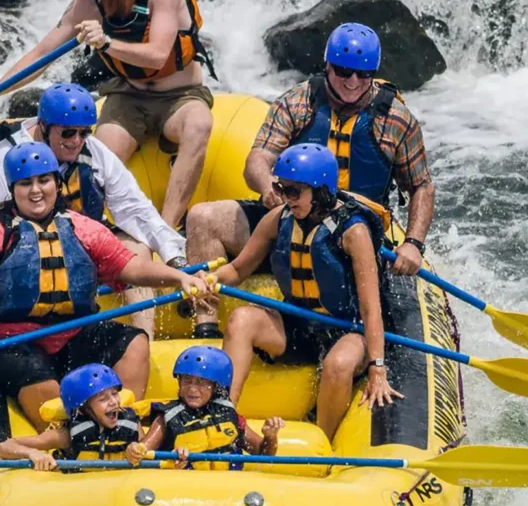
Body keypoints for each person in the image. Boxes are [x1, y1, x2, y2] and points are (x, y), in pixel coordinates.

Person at [183, 23, 436, 338]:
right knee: (202, 217)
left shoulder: (396, 120)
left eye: (364, 73)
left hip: (350, 232)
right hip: (293, 214)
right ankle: (205, 326)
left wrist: (412, 243)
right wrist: (268, 188)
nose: (354, 81)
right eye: (344, 71)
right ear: (327, 65)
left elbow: (421, 186)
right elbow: (258, 159)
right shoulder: (298, 102)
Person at [0, 142, 207, 431]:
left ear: (57, 184)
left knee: (133, 341)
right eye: (25, 183)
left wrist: (179, 276)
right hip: (8, 341)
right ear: (12, 189)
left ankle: (124, 425)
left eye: (44, 180)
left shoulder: (82, 228)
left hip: (69, 334)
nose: (36, 190)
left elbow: (130, 267)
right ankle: (68, 437)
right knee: (36, 373)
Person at [0, 0, 216, 230]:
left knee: (198, 125)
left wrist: (106, 42)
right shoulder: (87, 5)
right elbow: (39, 56)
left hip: (181, 96)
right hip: (128, 96)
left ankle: (168, 230)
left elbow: (158, 54)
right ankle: (78, 233)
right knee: (92, 155)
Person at [205, 144, 403, 443]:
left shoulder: (353, 232)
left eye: (294, 191)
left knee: (338, 363)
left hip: (348, 328)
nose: (286, 198)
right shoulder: (279, 218)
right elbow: (237, 269)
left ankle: (322, 440)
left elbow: (370, 307)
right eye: (281, 189)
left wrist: (377, 367)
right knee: (242, 319)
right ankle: (224, 420)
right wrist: (206, 281)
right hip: (299, 325)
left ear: (321, 191)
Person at [0, 83, 188, 337]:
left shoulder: (92, 151)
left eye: (84, 133)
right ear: (44, 127)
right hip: (21, 250)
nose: (77, 142)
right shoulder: (6, 157)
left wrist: (174, 257)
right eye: (69, 133)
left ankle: (144, 340)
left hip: (81, 242)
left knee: (137, 248)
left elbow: (135, 209)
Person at [127, 345, 283, 470]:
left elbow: (264, 455)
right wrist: (136, 450)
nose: (193, 389)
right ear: (179, 382)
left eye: (201, 382)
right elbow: (140, 453)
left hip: (228, 490)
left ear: (215, 386)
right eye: (187, 380)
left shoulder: (229, 414)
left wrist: (270, 437)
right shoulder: (166, 418)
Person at [0, 363, 149, 470]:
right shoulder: (66, 435)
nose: (113, 402)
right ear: (82, 409)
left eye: (114, 394)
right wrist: (32, 453)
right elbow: (4, 447)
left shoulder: (130, 424)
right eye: (102, 399)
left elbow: (149, 449)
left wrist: (139, 449)